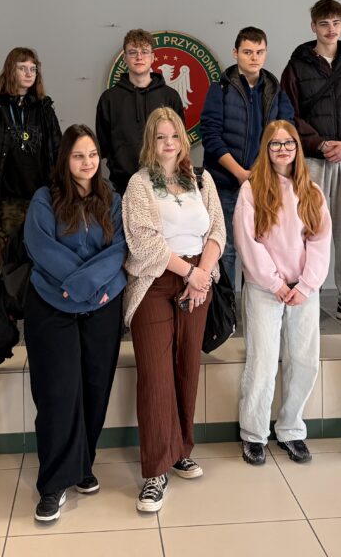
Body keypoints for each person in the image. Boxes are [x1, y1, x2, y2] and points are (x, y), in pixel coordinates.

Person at [122, 107, 225, 513]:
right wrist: (191, 273)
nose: (169, 143)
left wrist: (202, 274)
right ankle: (154, 472)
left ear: (184, 139)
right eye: (160, 136)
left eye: (174, 136)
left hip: (198, 281)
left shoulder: (202, 178)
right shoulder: (139, 185)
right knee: (155, 375)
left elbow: (217, 230)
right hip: (155, 283)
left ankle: (180, 449)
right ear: (151, 141)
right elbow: (144, 244)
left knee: (186, 367)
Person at [23, 125, 128, 522]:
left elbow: (120, 249)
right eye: (78, 155)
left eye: (92, 154)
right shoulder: (44, 198)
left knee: (95, 387)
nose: (87, 162)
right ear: (65, 159)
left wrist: (92, 287)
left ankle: (83, 465)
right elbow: (40, 248)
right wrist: (82, 285)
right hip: (52, 304)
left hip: (101, 304)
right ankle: (53, 483)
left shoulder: (112, 198)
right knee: (58, 392)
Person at [235, 121, 331, 466]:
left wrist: (305, 285)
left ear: (297, 147)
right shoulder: (252, 190)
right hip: (265, 289)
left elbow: (320, 241)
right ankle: (254, 434)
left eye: (288, 143)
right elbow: (248, 242)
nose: (282, 149)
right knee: (262, 362)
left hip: (303, 290)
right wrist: (275, 283)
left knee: (304, 361)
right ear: (266, 148)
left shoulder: (312, 191)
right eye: (275, 144)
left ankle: (291, 429)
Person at [281, 0, 341, 326]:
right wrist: (319, 143)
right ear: (313, 26)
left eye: (336, 22)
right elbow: (289, 114)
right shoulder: (296, 66)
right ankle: (306, 294)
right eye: (324, 23)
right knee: (306, 228)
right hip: (312, 160)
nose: (331, 29)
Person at [200, 26, 294, 289]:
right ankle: (228, 306)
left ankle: (257, 305)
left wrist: (262, 172)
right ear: (235, 53)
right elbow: (210, 136)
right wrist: (240, 173)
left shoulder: (276, 90)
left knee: (262, 247)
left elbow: (286, 134)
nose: (254, 57)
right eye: (248, 52)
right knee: (226, 247)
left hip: (265, 182)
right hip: (225, 183)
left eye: (259, 52)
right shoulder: (220, 88)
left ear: (266, 53)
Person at [0, 47, 61, 247]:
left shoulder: (44, 109)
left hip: (40, 196)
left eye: (33, 69)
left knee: (39, 250)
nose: (29, 74)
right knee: (9, 252)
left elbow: (58, 152)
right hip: (4, 199)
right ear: (11, 70)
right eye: (22, 68)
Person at [96, 29, 185, 194]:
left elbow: (179, 141)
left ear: (153, 57)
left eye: (144, 51)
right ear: (124, 58)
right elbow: (103, 145)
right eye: (133, 52)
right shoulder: (109, 99)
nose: (139, 57)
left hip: (165, 185)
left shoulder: (170, 96)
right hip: (122, 186)